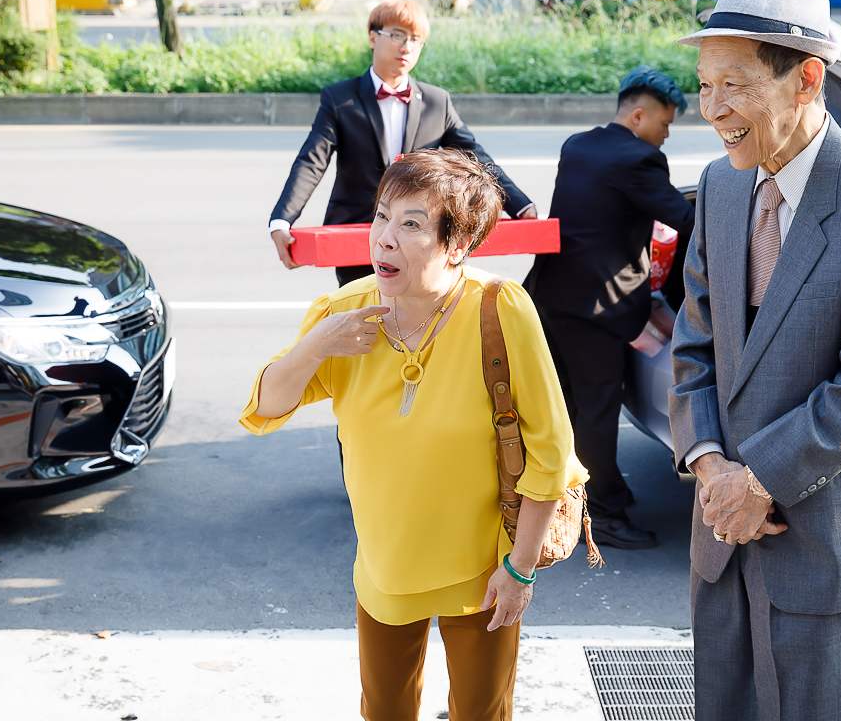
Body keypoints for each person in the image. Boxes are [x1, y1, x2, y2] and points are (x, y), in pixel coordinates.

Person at [667, 0, 841, 720]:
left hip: (824, 540)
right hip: (721, 531)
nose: (713, 108)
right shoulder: (720, 187)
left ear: (806, 80)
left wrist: (758, 481)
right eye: (704, 83)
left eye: (735, 84)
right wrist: (713, 465)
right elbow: (694, 347)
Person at [241, 149, 586, 721]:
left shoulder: (500, 311)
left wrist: (521, 569)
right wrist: (314, 346)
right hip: (386, 569)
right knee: (385, 710)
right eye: (381, 216)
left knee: (481, 711)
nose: (384, 238)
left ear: (457, 246)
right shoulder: (343, 313)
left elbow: (551, 453)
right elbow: (266, 407)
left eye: (412, 223)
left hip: (485, 571)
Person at [524, 66, 695, 549]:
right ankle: (601, 517)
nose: (665, 136)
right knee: (597, 413)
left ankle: (586, 495)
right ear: (639, 116)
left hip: (552, 297)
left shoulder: (578, 145)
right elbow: (682, 217)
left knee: (572, 409)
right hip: (597, 308)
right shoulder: (640, 159)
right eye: (664, 125)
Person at [269, 0, 535, 287]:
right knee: (363, 322)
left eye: (416, 40)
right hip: (359, 235)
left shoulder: (437, 102)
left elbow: (476, 158)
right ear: (373, 36)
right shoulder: (340, 98)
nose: (406, 47)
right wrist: (283, 220)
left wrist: (520, 206)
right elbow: (312, 160)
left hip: (420, 238)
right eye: (397, 35)